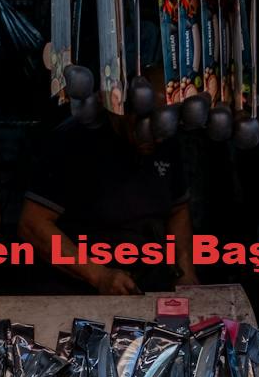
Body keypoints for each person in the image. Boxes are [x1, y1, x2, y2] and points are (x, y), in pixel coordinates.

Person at [18, 107, 197, 294]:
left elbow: (178, 210)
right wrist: (98, 275)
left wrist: (185, 273)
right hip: (77, 290)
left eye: (160, 133)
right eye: (146, 130)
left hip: (147, 286)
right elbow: (32, 224)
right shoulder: (72, 139)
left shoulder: (165, 142)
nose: (156, 140)